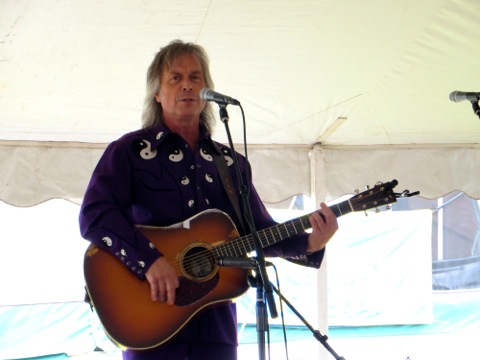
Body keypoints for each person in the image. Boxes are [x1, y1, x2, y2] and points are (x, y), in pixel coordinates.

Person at [79, 39, 338, 360]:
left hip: (215, 324)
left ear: (206, 93)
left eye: (195, 77)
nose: (187, 85)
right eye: (175, 78)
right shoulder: (129, 152)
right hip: (150, 314)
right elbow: (95, 215)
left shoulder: (231, 164)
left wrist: (310, 243)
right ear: (157, 94)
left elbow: (256, 230)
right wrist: (148, 261)